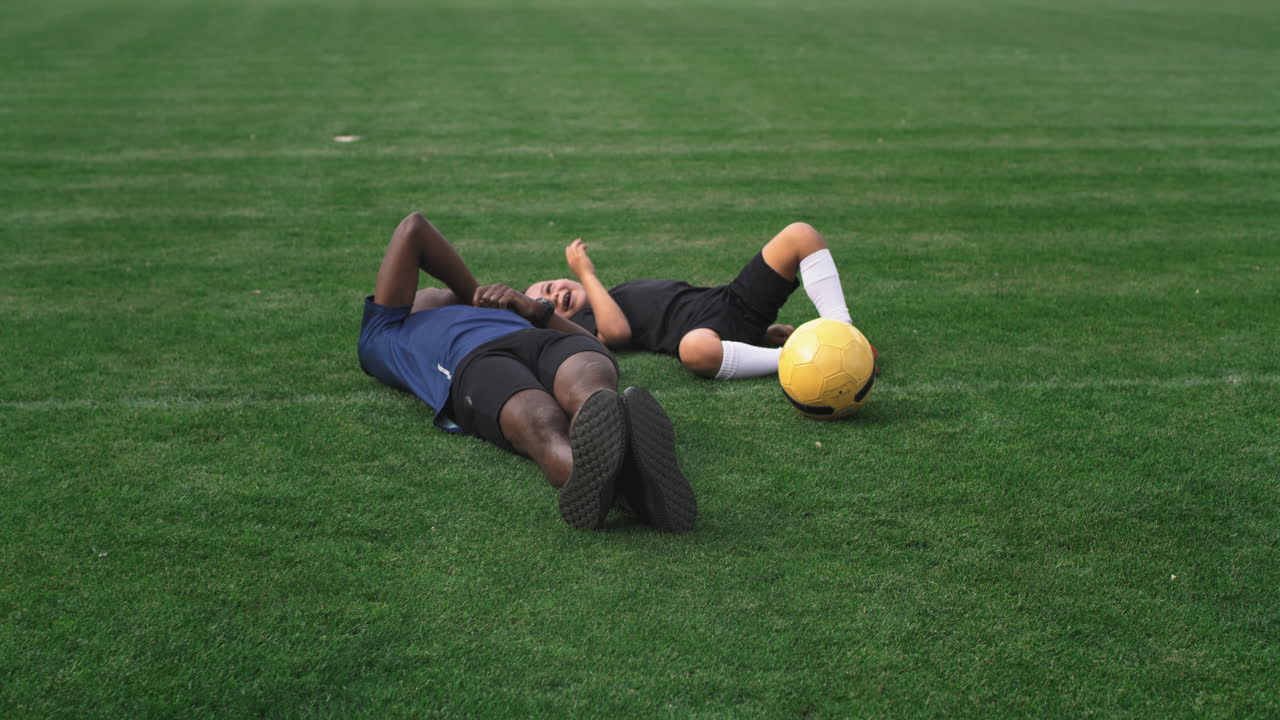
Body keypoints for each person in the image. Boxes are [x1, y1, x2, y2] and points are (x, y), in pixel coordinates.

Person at [358, 212, 696, 531]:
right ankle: (636, 486)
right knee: (542, 423)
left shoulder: (512, 310)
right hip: (475, 360)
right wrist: (471, 292)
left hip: (543, 339)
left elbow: (602, 351)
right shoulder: (379, 332)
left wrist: (537, 311)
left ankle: (627, 482)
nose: (433, 292)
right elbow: (414, 229)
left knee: (593, 395)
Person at [525, 222, 870, 380]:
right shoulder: (586, 321)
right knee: (693, 350)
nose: (555, 294)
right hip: (706, 335)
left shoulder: (614, 294)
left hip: (732, 302)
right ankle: (801, 359)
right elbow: (616, 333)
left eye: (552, 285)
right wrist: (586, 272)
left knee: (800, 235)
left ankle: (846, 336)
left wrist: (761, 333)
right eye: (548, 302)